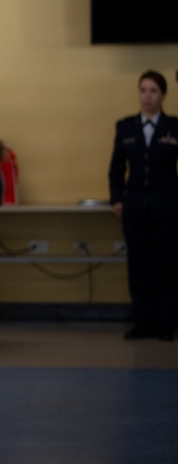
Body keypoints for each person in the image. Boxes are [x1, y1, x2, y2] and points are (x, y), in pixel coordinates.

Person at [109, 69, 178, 341]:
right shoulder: (125, 126)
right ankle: (143, 322)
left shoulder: (174, 127)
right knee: (139, 267)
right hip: (135, 208)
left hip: (167, 208)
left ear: (162, 95)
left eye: (153, 91)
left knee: (166, 266)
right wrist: (117, 198)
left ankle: (164, 323)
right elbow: (116, 168)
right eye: (143, 90)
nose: (148, 96)